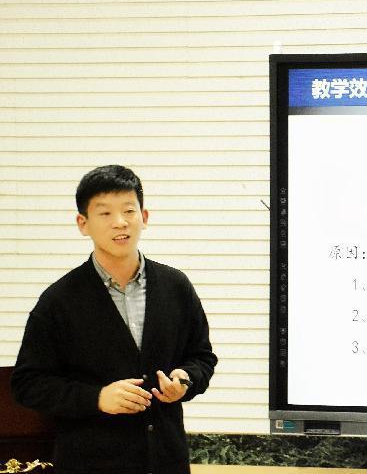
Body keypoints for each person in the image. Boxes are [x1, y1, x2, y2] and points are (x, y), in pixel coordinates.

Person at [12, 165, 218, 474]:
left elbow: (201, 357)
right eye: (105, 213)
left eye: (128, 211)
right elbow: (28, 384)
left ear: (144, 217)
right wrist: (97, 398)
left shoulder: (176, 286)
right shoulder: (59, 300)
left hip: (165, 459)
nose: (120, 222)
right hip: (89, 463)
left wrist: (185, 380)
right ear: (83, 223)